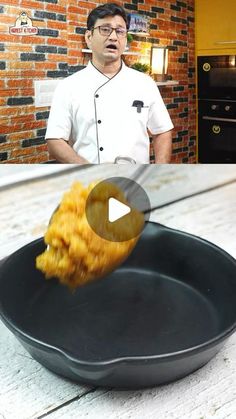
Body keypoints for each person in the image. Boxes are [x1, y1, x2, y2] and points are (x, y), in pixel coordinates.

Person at [45, 3, 174, 164]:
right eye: (105, 29)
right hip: (90, 181)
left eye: (120, 31)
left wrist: (159, 172)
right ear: (89, 38)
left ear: (125, 39)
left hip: (136, 179)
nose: (113, 37)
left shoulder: (145, 84)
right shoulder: (69, 86)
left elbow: (162, 131)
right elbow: (54, 141)